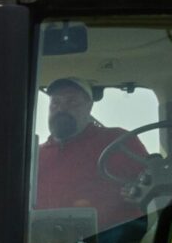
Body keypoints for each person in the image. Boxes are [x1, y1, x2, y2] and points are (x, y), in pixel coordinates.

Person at [34, 77, 150, 228]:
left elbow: (151, 185)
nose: (61, 109)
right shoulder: (36, 156)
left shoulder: (118, 141)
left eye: (72, 102)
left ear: (89, 107)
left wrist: (137, 193)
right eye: (55, 103)